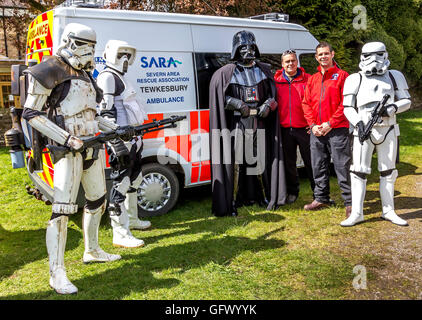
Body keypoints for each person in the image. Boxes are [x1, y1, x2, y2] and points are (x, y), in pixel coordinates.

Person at [22, 23, 121, 295]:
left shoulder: (87, 75)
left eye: (91, 46)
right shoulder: (47, 69)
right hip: (66, 148)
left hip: (91, 145)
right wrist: (65, 139)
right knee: (62, 210)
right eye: (83, 45)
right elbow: (31, 113)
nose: (88, 51)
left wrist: (110, 127)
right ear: (68, 41)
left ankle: (93, 249)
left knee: (98, 200)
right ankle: (57, 271)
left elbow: (90, 111)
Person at [209, 30, 287, 217]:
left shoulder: (263, 70)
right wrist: (237, 103)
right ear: (236, 49)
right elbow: (219, 98)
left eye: (250, 47)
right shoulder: (226, 73)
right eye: (243, 47)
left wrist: (268, 104)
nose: (247, 51)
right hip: (238, 122)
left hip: (258, 121)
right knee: (236, 163)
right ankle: (232, 201)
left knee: (258, 160)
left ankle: (261, 196)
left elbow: (273, 95)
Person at [340, 42, 411, 227]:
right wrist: (358, 123)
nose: (374, 60)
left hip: (387, 128)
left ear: (385, 54)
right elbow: (348, 107)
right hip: (363, 129)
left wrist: (393, 108)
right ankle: (357, 212)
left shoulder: (395, 76)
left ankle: (389, 210)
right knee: (358, 171)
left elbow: (406, 101)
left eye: (378, 55)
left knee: (388, 171)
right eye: (369, 55)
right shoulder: (355, 79)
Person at [97, 40, 151, 248]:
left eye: (128, 55)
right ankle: (120, 233)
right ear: (110, 54)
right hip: (120, 140)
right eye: (121, 55)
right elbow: (104, 114)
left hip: (133, 138)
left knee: (134, 180)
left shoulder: (120, 77)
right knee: (121, 184)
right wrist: (116, 142)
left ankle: (133, 221)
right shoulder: (108, 77)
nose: (125, 59)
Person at [301, 41, 352, 217]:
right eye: (320, 54)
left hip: (337, 129)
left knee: (342, 167)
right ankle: (321, 198)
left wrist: (329, 124)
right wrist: (313, 125)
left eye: (326, 53)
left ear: (332, 54)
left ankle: (350, 202)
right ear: (316, 57)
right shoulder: (313, 79)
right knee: (318, 166)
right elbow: (306, 103)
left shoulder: (343, 76)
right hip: (317, 131)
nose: (323, 56)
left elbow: (345, 104)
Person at [274, 49, 315, 204]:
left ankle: (318, 193)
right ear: (282, 64)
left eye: (293, 60)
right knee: (289, 164)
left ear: (297, 62)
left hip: (305, 128)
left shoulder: (309, 80)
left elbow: (316, 103)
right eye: (287, 61)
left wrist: (313, 123)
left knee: (311, 162)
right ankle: (292, 192)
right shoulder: (276, 82)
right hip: (285, 129)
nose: (290, 64)